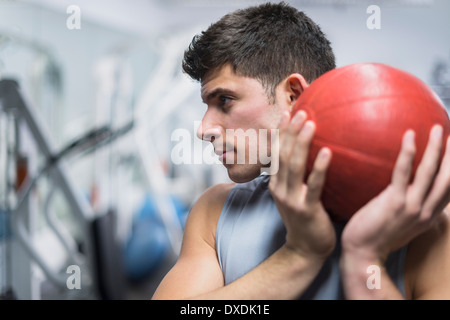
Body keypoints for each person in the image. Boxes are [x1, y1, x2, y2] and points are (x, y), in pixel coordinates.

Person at [152, 2, 450, 300]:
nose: (204, 130)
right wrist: (299, 256)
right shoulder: (215, 212)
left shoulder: (424, 220)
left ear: (294, 96)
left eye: (225, 100)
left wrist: (364, 260)